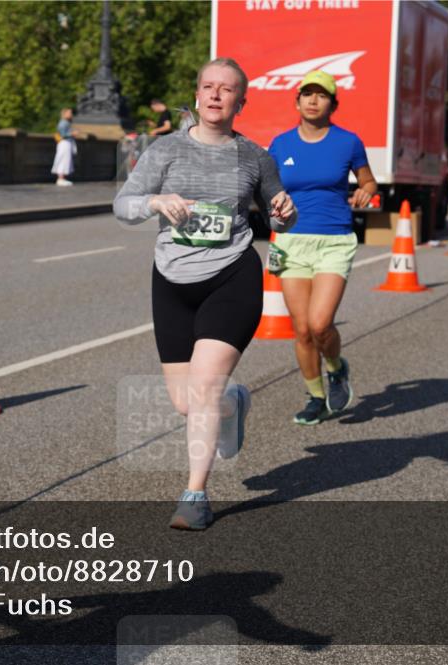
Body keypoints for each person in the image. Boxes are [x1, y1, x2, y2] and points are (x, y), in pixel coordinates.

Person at [113, 58, 296, 530]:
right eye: (208, 87)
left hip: (232, 274)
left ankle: (195, 494)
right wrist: (155, 201)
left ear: (241, 100)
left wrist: (284, 211)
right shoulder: (165, 150)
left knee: (204, 388)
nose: (216, 95)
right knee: (184, 401)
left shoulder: (256, 157)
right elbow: (122, 205)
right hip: (171, 279)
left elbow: (279, 217)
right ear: (197, 94)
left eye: (227, 89)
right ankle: (235, 402)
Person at [267, 70, 377, 425]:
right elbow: (265, 189)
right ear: (296, 100)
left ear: (333, 103)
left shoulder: (348, 142)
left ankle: (336, 368)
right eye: (307, 94)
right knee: (301, 330)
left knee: (320, 323)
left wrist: (366, 191)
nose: (314, 100)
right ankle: (315, 397)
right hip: (291, 241)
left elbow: (368, 181)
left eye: (322, 95)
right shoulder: (280, 144)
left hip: (334, 240)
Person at [51, 107, 79, 186]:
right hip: (64, 143)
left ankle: (61, 178)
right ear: (65, 114)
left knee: (65, 160)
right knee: (63, 160)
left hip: (66, 143)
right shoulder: (63, 123)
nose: (71, 114)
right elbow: (63, 134)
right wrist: (72, 134)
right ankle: (60, 178)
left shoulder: (66, 122)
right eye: (69, 113)